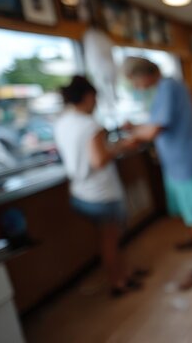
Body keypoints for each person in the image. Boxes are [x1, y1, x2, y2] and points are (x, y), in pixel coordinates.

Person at [123, 57, 192, 290]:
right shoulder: (167, 88)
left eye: (134, 82)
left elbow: (156, 128)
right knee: (189, 209)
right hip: (178, 161)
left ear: (143, 75)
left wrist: (133, 135)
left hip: (186, 161)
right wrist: (136, 130)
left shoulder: (167, 88)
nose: (135, 87)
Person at [54, 76, 142, 297]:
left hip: (79, 192)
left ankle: (125, 272)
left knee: (107, 241)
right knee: (110, 242)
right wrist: (120, 147)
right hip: (101, 194)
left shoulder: (62, 122)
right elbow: (98, 160)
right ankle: (119, 282)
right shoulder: (90, 125)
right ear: (89, 96)